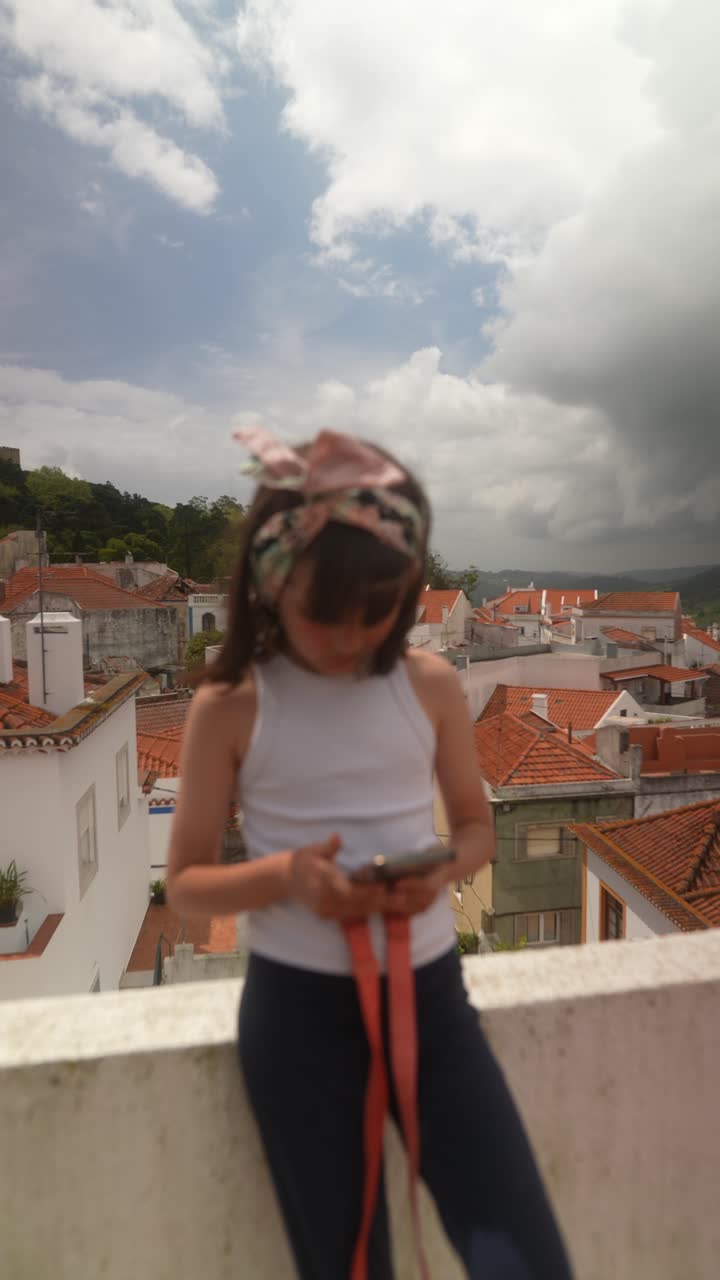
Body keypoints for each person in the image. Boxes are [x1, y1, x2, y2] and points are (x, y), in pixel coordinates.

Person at [166, 427, 573, 1280]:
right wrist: (288, 880)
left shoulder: (426, 685)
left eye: (379, 611)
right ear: (272, 586)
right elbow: (188, 886)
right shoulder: (232, 704)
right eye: (325, 613)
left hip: (429, 999)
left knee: (524, 1257)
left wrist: (433, 876)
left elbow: (473, 832)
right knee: (349, 1267)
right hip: (299, 1018)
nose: (352, 639)